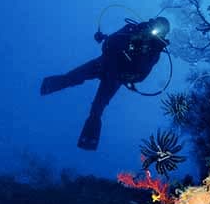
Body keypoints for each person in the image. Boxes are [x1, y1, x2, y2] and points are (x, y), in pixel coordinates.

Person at [40, 16, 170, 150]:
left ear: (163, 34)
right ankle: (47, 86)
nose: (157, 30)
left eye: (161, 30)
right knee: (73, 77)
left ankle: (88, 141)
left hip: (115, 76)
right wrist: (107, 41)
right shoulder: (133, 28)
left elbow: (142, 74)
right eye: (157, 25)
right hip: (104, 63)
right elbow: (110, 42)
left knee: (97, 108)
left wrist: (126, 76)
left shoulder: (154, 50)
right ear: (153, 22)